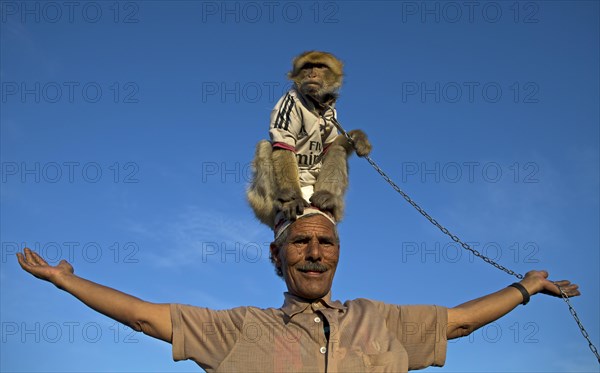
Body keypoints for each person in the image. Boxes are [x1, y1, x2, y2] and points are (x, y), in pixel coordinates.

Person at [17, 209, 580, 372]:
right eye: (301, 242)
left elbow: (456, 321)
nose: (314, 251)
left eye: (326, 243)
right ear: (277, 255)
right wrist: (68, 282)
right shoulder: (238, 330)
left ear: (338, 254)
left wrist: (524, 289)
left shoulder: (378, 319)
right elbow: (144, 316)